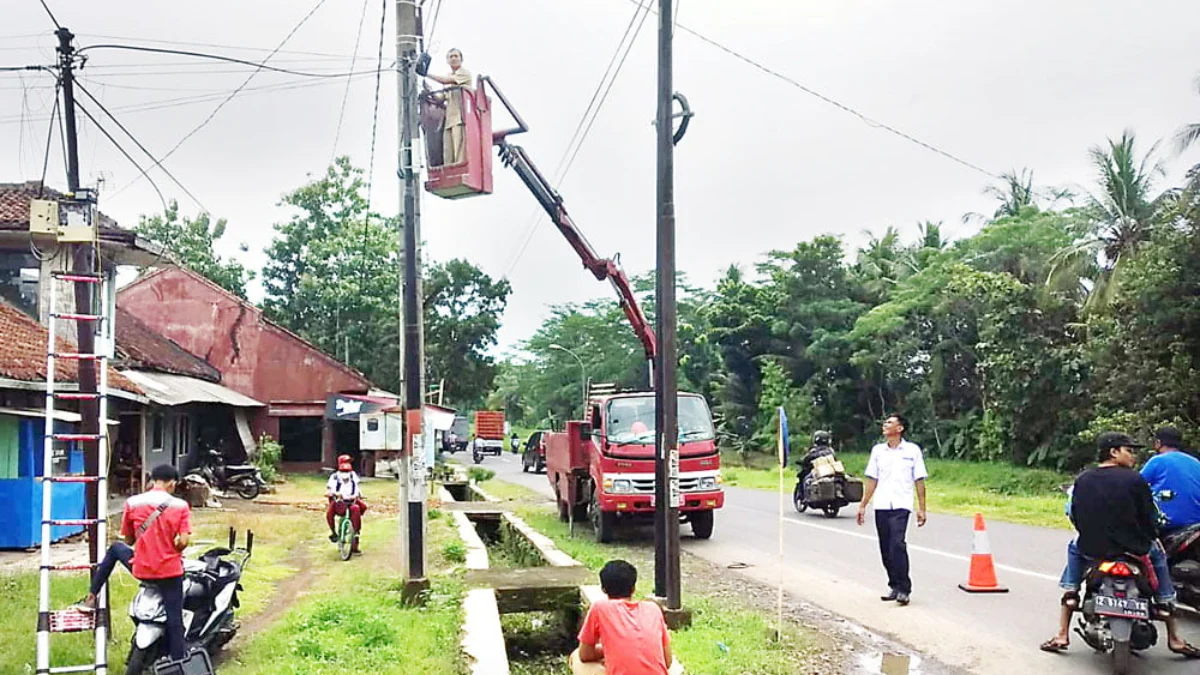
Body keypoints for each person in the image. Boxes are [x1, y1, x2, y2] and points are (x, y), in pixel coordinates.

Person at [1040, 432, 1199, 657]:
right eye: (1129, 450)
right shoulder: (1135, 480)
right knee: (1159, 556)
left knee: (1074, 549)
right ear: (1114, 452)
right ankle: (1172, 629)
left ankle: (1064, 624)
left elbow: (1074, 513)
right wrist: (1150, 534)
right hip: (1134, 549)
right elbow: (1150, 517)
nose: (1133, 455)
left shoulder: (1083, 479)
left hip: (1093, 548)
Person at [90, 464, 192, 661]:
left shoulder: (133, 502)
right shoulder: (180, 506)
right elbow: (184, 541)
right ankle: (178, 661)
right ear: (172, 484)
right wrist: (176, 546)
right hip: (169, 572)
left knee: (115, 549)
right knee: (175, 619)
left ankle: (92, 594)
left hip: (141, 568)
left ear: (152, 481)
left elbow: (128, 540)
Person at [856, 413, 927, 606]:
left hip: (902, 504)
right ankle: (894, 585)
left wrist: (922, 508)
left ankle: (904, 588)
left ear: (900, 428)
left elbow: (919, 479)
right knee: (885, 547)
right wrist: (863, 505)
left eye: (890, 423)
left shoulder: (912, 451)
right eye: (885, 422)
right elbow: (872, 479)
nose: (885, 425)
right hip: (882, 504)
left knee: (897, 544)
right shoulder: (878, 451)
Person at [571, 559, 679, 675]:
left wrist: (609, 650)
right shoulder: (653, 609)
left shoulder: (599, 608)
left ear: (603, 589)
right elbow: (667, 661)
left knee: (576, 657)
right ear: (633, 588)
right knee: (675, 667)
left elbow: (585, 654)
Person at [1141, 426, 1200, 535]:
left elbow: (1135, 485)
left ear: (1158, 443)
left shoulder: (1158, 460)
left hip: (1169, 525)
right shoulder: (1195, 461)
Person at [426, 48, 473, 166]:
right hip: (449, 119)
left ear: (461, 59)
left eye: (456, 56)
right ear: (447, 60)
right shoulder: (449, 76)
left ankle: (460, 170)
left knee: (459, 152)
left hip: (460, 118)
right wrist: (429, 91)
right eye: (451, 56)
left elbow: (445, 81)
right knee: (448, 153)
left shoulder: (464, 73)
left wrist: (427, 74)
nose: (453, 58)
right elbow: (442, 98)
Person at [326, 454, 364, 554]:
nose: (347, 465)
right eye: (345, 462)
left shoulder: (353, 475)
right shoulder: (334, 477)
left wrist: (357, 495)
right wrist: (334, 494)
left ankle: (355, 536)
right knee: (329, 513)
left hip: (351, 501)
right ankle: (333, 532)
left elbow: (357, 488)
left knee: (358, 509)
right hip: (339, 502)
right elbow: (330, 489)